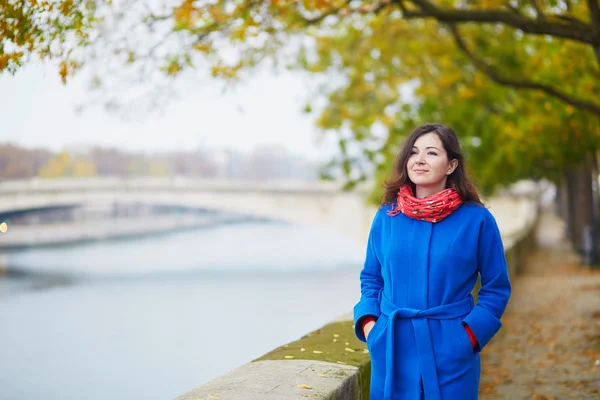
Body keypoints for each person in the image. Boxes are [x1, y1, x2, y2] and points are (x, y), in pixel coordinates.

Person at [353, 123, 511, 400]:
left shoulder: (477, 220)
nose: (420, 160)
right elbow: (372, 278)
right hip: (391, 348)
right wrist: (371, 326)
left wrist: (468, 338)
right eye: (414, 152)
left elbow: (496, 287)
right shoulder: (386, 217)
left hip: (451, 351)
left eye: (432, 153)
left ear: (451, 165)